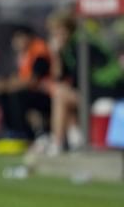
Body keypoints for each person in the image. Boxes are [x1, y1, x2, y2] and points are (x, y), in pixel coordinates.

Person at [44, 12, 124, 156]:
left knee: (61, 95)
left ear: (68, 29)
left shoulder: (81, 44)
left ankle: (58, 142)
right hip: (94, 88)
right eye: (54, 32)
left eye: (59, 31)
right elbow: (60, 77)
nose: (57, 35)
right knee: (61, 93)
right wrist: (55, 54)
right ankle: (74, 139)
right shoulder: (68, 48)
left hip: (108, 87)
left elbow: (79, 78)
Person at [0, 26, 52, 141]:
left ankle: (23, 133)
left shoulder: (39, 51)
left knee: (16, 95)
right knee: (4, 94)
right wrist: (1, 84)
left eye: (17, 38)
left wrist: (5, 85)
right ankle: (10, 131)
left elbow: (33, 80)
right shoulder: (23, 55)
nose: (15, 42)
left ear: (27, 37)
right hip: (33, 92)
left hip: (46, 94)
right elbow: (18, 77)